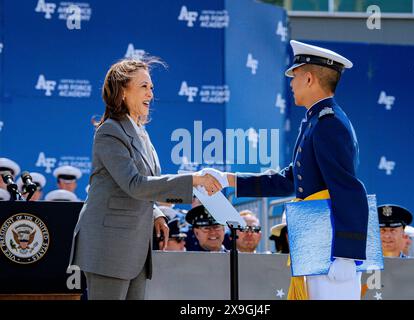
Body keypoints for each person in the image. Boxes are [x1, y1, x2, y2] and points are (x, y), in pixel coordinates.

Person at [204, 41, 369, 300]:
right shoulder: (316, 120)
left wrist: (347, 254)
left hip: (330, 245)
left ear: (310, 78)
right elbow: (289, 179)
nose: (291, 83)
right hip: (317, 239)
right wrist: (228, 179)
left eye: (294, 76)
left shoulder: (329, 123)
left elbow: (348, 189)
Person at [68, 58, 221, 300]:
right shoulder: (110, 131)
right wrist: (194, 179)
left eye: (151, 87)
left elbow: (146, 185)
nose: (151, 93)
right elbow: (134, 184)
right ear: (122, 92)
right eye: (143, 86)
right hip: (109, 247)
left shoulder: (141, 132)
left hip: (135, 248)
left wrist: (155, 213)